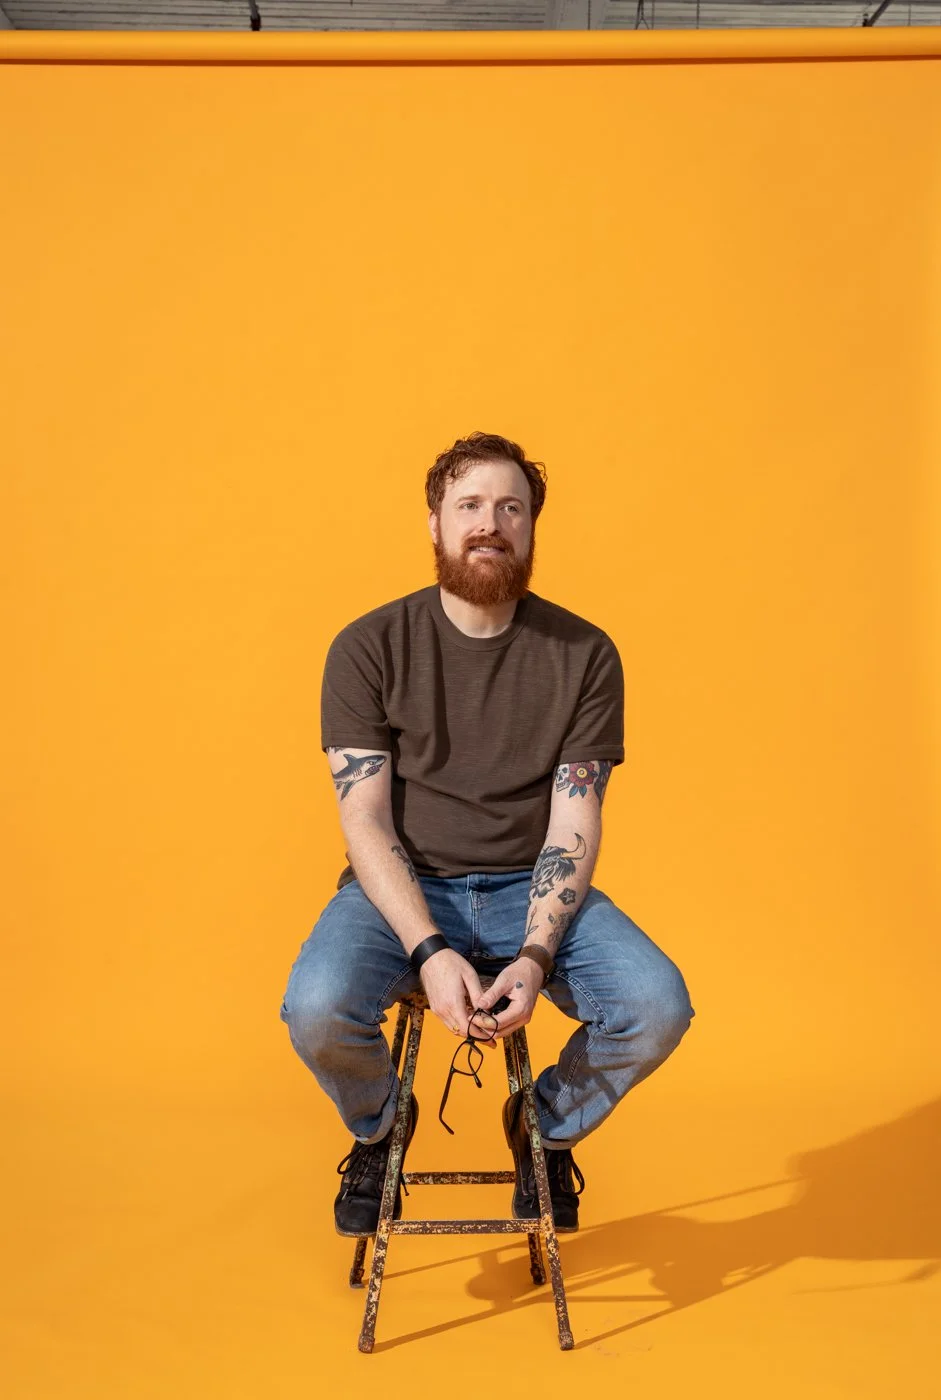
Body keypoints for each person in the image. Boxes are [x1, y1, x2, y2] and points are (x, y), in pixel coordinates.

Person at [279, 431, 694, 1237]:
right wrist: (429, 951)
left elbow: (575, 816)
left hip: (524, 886)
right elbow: (363, 817)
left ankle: (542, 1129)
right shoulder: (368, 647)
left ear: (533, 526)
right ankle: (379, 1130)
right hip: (402, 885)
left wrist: (537, 954)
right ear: (434, 524)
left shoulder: (582, 653)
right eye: (468, 505)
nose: (489, 523)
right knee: (317, 1008)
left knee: (655, 1004)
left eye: (510, 507)